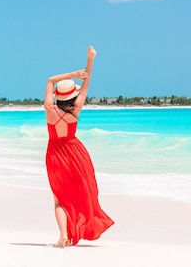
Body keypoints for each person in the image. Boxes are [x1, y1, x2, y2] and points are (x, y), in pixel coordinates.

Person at [44, 46, 114, 248]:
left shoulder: (50, 110)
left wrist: (72, 74)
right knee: (79, 192)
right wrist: (90, 59)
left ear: (58, 96)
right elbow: (87, 82)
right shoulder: (76, 109)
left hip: (55, 154)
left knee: (59, 199)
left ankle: (63, 235)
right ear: (72, 97)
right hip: (75, 153)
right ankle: (72, 230)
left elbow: (50, 80)